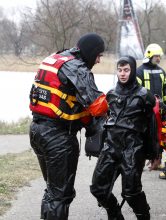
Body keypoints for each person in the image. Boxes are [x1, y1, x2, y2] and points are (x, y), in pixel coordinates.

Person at [29, 33, 108, 220]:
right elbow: (97, 105)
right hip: (58, 138)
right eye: (98, 55)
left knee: (53, 190)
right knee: (60, 194)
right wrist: (114, 101)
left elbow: (69, 100)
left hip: (37, 131)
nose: (98, 60)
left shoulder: (56, 58)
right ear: (89, 52)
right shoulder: (77, 67)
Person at [90, 56, 158, 220]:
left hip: (133, 150)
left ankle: (144, 217)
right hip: (111, 148)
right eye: (119, 70)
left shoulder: (144, 96)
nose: (122, 74)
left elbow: (152, 127)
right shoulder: (111, 95)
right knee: (98, 189)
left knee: (131, 193)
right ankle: (115, 215)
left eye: (126, 70)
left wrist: (155, 154)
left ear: (133, 70)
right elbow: (103, 121)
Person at [136, 43, 166, 169]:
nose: (158, 58)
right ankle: (142, 160)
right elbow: (136, 92)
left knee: (160, 135)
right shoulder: (139, 71)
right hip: (145, 110)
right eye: (156, 56)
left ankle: (157, 160)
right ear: (149, 55)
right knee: (143, 135)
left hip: (159, 110)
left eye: (159, 56)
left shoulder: (161, 71)